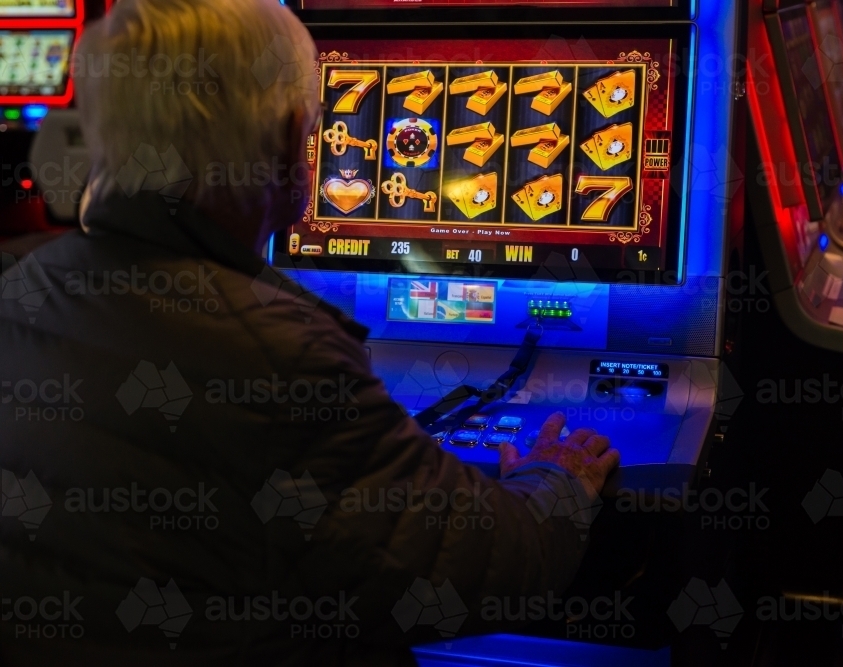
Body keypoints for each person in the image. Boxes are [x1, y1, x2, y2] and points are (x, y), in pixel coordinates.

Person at [0, 1, 619, 665]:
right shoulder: (277, 357)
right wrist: (558, 481)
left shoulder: (22, 284)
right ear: (293, 131)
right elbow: (487, 567)